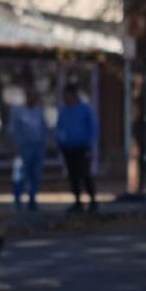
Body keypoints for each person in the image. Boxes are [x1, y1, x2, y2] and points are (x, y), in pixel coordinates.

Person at [55, 83, 100, 212]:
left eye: (67, 96)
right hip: (69, 148)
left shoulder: (85, 109)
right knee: (73, 175)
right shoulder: (64, 111)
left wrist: (89, 144)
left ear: (74, 95)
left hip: (82, 147)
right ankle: (77, 201)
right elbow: (59, 128)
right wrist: (60, 141)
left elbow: (93, 128)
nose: (65, 98)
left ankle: (93, 200)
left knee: (85, 174)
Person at [8, 89, 48, 211]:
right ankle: (17, 200)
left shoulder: (39, 111)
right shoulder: (18, 112)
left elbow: (44, 128)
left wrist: (44, 143)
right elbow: (12, 130)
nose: (32, 99)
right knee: (19, 175)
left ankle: (32, 200)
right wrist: (15, 146)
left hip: (37, 147)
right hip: (23, 148)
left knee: (35, 175)